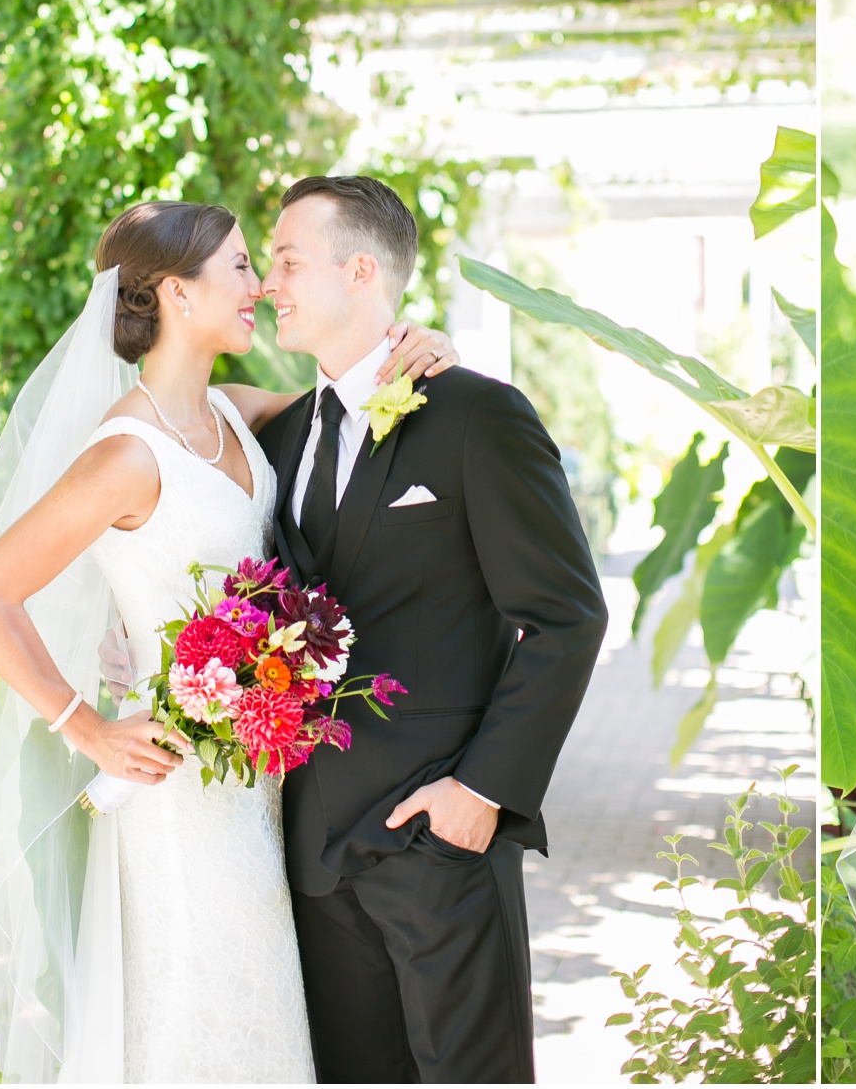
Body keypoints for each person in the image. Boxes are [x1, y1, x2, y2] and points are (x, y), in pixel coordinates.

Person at [0, 199, 458, 1083]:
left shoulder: (235, 411)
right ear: (179, 293)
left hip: (259, 779)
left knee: (264, 1008)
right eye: (237, 266)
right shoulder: (124, 454)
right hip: (176, 788)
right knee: (202, 1010)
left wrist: (421, 351)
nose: (259, 282)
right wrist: (87, 725)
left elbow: (357, 402)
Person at [257, 175, 608, 1084]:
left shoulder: (478, 416)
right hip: (313, 857)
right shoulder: (279, 438)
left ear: (362, 269)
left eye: (289, 260)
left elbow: (567, 616)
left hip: (439, 841)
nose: (269, 283)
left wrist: (482, 793)